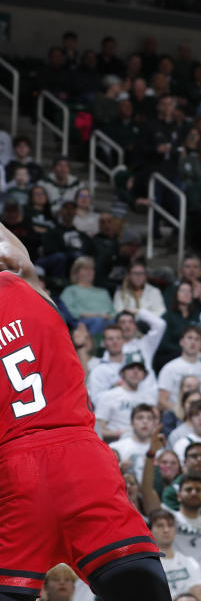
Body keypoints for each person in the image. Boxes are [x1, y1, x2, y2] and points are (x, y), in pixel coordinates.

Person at [0, 221, 170, 600]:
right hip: (82, 458)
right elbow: (14, 255)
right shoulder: (27, 287)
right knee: (141, 587)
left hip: (16, 467)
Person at [151, 509, 201, 601]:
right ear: (150, 530)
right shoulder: (149, 566)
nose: (166, 530)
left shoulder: (189, 562)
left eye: (170, 525)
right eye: (160, 526)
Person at [157, 325, 201, 411]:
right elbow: (162, 400)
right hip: (176, 417)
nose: (193, 342)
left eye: (197, 339)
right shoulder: (170, 368)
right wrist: (182, 414)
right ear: (181, 342)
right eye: (189, 338)